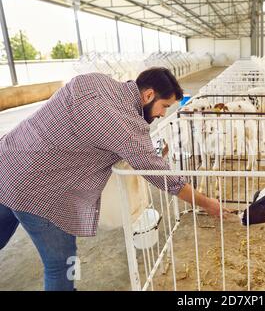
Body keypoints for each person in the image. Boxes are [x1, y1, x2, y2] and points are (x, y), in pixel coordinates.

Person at [0, 67, 225, 291]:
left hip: (6, 161)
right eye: (164, 106)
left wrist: (147, 154)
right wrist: (207, 203)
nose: (162, 114)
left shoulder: (94, 80)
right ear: (148, 95)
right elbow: (165, 178)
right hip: (37, 191)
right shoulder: (127, 127)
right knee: (61, 265)